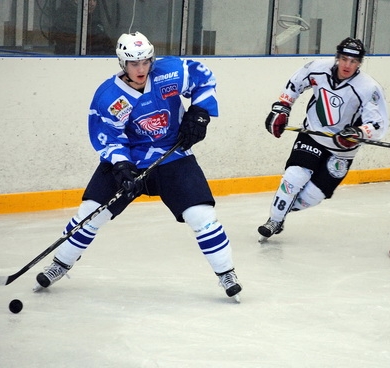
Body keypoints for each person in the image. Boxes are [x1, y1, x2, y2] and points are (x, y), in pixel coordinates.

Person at [33, 31, 242, 301]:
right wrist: (121, 165)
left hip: (173, 155)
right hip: (130, 159)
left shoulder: (169, 72)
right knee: (91, 213)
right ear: (122, 63)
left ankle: (226, 273)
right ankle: (59, 265)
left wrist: (199, 113)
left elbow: (204, 78)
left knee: (201, 216)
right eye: (134, 63)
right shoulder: (109, 97)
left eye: (145, 62)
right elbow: (107, 137)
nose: (141, 69)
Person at [257, 37, 389, 241]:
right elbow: (295, 83)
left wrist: (358, 133)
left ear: (360, 63)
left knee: (313, 196)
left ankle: (284, 210)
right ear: (337, 57)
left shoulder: (368, 88)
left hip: (342, 150)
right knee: (294, 176)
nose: (347, 65)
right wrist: (282, 107)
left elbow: (378, 123)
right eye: (344, 59)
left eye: (353, 61)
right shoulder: (318, 69)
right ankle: (274, 220)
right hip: (312, 135)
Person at [49, 0, 115, 55]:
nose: (92, 3)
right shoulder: (65, 20)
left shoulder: (95, 22)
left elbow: (108, 46)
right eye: (88, 0)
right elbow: (69, 50)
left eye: (94, 0)